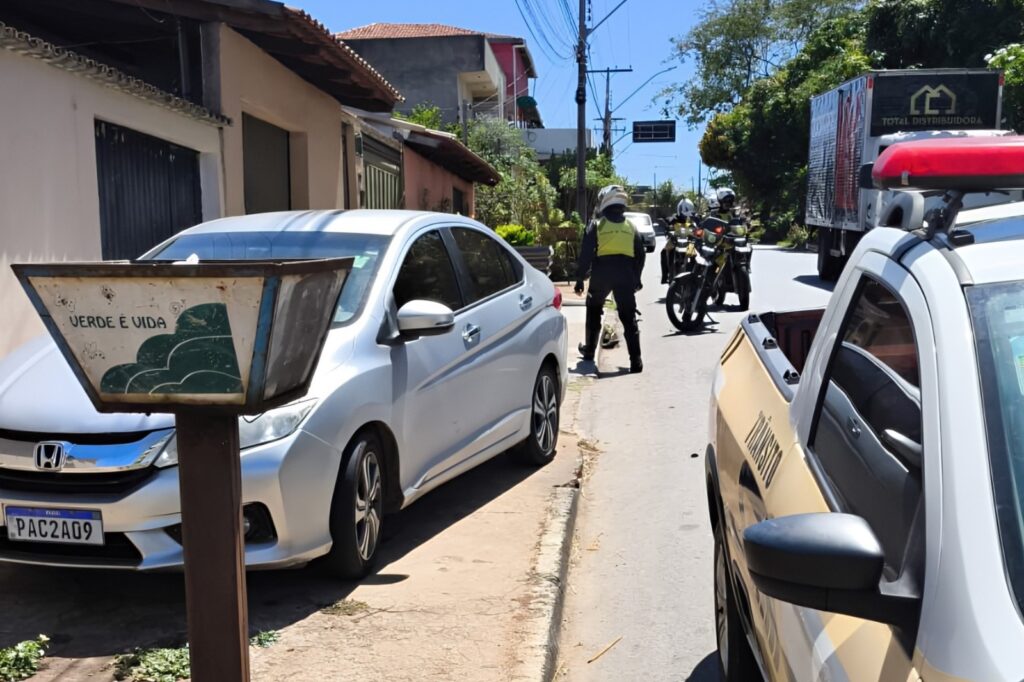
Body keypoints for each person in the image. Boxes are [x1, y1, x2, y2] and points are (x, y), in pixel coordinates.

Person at [574, 185, 646, 373]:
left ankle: (589, 351)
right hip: (625, 274)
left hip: (602, 273)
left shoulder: (596, 225)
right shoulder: (631, 227)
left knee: (594, 309)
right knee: (628, 317)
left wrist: (580, 279)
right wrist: (636, 278)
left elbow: (586, 254)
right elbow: (640, 255)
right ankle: (636, 361)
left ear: (605, 201)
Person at [661, 198, 695, 284]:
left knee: (696, 254)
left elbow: (698, 226)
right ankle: (665, 275)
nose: (686, 216)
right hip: (675, 240)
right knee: (664, 252)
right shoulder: (674, 218)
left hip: (689, 241)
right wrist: (666, 226)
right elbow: (667, 222)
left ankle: (696, 274)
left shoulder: (692, 219)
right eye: (685, 213)